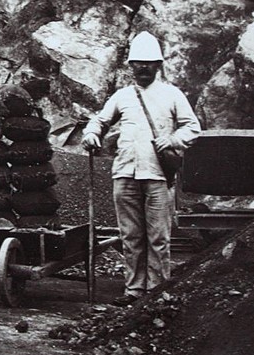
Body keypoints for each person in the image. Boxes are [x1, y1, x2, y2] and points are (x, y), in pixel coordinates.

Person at [81, 32, 201, 306]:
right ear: (131, 65)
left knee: (159, 237)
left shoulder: (172, 95)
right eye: (138, 63)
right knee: (131, 236)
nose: (143, 68)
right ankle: (134, 290)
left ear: (158, 65)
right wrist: (91, 134)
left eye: (149, 63)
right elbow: (99, 121)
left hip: (158, 175)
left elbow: (192, 128)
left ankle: (157, 292)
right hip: (124, 174)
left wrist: (171, 140)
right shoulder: (122, 96)